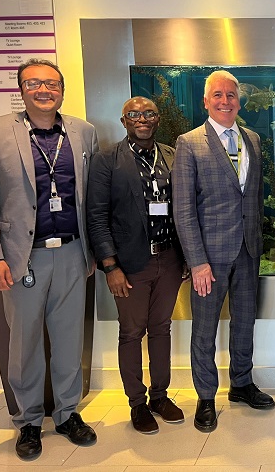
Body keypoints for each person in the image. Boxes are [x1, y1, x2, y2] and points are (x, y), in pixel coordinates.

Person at [0, 58, 99, 459]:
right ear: (21, 90)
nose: (44, 90)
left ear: (61, 90)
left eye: (51, 84)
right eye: (34, 83)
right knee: (23, 343)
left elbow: (92, 197)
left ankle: (66, 413)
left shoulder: (83, 132)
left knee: (67, 340)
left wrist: (95, 251)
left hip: (74, 252)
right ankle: (27, 421)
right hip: (22, 256)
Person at [173, 70, 274, 433]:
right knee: (204, 329)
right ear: (205, 101)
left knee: (244, 323)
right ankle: (205, 397)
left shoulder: (253, 139)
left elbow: (254, 197)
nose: (225, 101)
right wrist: (196, 262)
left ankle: (242, 384)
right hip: (209, 259)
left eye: (231, 95)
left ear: (239, 101)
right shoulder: (189, 143)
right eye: (218, 95)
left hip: (249, 251)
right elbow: (183, 210)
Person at [87, 97, 185, 434]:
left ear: (157, 120)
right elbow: (96, 217)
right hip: (129, 264)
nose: (142, 119)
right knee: (131, 332)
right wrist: (110, 265)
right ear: (124, 120)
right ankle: (137, 403)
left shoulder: (172, 155)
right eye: (134, 114)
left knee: (162, 328)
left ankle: (160, 395)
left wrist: (186, 258)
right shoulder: (107, 160)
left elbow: (184, 209)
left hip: (170, 258)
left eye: (148, 114)